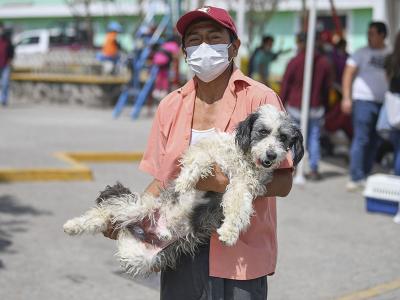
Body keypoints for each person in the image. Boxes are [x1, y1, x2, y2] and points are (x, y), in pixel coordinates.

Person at [104, 6, 294, 299]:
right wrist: (131, 217)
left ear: (234, 46)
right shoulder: (170, 105)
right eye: (194, 39)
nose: (203, 46)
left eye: (213, 37)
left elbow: (283, 182)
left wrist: (225, 183)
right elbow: (162, 181)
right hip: (177, 247)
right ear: (184, 51)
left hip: (238, 254)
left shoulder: (261, 99)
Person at [341, 22, 391, 191]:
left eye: (373, 33)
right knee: (361, 139)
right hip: (363, 101)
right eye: (368, 33)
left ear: (383, 35)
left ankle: (366, 172)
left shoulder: (390, 53)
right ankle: (355, 176)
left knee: (376, 140)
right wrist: (346, 98)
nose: (368, 36)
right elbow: (348, 73)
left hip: (384, 103)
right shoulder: (361, 53)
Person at [280, 32, 332, 180]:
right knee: (314, 139)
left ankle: (293, 167)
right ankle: (314, 169)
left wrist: (281, 103)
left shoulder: (295, 61)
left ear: (301, 43)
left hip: (296, 106)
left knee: (293, 139)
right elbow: (327, 88)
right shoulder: (324, 63)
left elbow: (285, 85)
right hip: (316, 107)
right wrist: (326, 106)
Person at [384, 31, 400, 175]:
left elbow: (387, 80)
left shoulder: (390, 58)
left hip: (394, 106)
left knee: (397, 145)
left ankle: (396, 174)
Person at [0, 24, 14, 106]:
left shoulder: (7, 40)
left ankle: (3, 99)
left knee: (5, 83)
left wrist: (10, 60)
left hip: (5, 65)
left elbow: (11, 51)